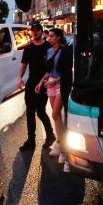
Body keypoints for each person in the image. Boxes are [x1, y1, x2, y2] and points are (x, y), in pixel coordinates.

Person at [36, 28, 73, 162]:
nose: (48, 38)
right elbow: (49, 70)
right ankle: (60, 142)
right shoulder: (49, 51)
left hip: (60, 84)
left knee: (56, 112)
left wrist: (55, 80)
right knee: (57, 116)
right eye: (49, 36)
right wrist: (41, 82)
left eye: (51, 36)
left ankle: (63, 147)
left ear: (58, 37)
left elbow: (68, 71)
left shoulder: (65, 50)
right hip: (50, 84)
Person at [17, 22, 55, 151]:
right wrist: (19, 79)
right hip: (31, 83)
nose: (35, 32)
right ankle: (31, 140)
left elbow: (52, 67)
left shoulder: (48, 47)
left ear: (41, 31)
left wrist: (46, 81)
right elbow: (23, 65)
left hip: (44, 84)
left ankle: (50, 135)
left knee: (40, 111)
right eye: (33, 30)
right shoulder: (28, 48)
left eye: (37, 30)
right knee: (29, 112)